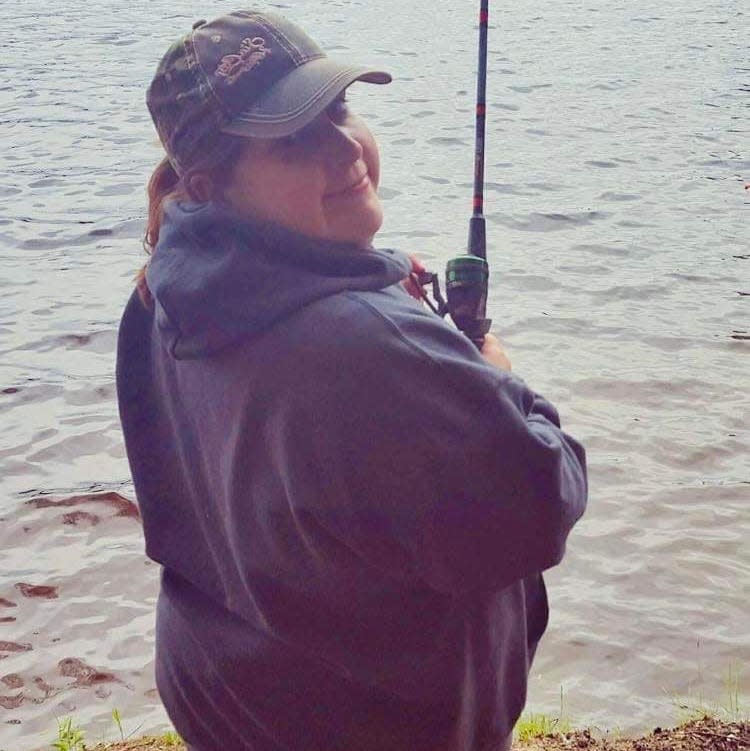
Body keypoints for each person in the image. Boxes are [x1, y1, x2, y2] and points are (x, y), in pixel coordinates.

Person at [116, 9, 587, 751]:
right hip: (362, 719)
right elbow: (536, 502)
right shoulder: (366, 349)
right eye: (294, 138)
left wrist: (380, 299)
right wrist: (499, 378)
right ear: (211, 185)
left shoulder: (164, 290)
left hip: (225, 688)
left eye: (338, 109)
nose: (343, 147)